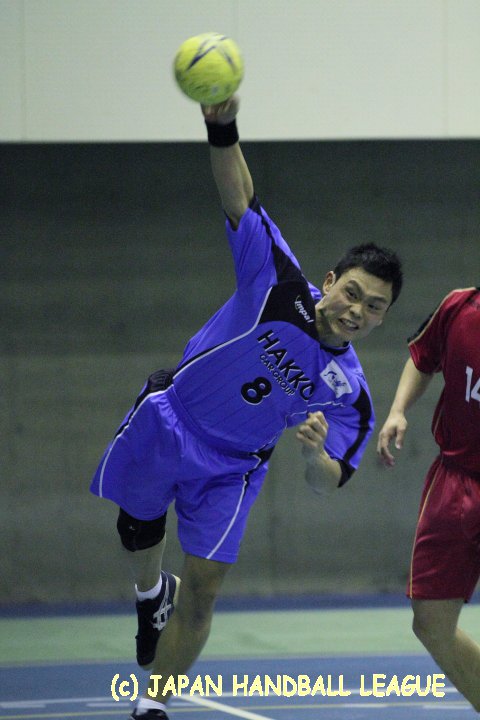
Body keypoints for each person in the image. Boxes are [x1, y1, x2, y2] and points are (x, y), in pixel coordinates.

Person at [90, 95, 403, 720]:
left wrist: (313, 457)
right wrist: (221, 126)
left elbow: (330, 480)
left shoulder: (349, 390)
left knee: (204, 592)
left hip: (233, 469)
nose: (357, 311)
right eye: (352, 293)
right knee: (136, 530)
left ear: (381, 319)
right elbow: (239, 196)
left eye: (374, 308)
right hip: (171, 417)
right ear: (330, 280)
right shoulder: (277, 282)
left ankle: (152, 706)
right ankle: (150, 594)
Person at [377, 286, 480, 712]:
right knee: (431, 622)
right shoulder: (459, 307)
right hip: (455, 483)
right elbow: (423, 357)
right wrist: (398, 410)